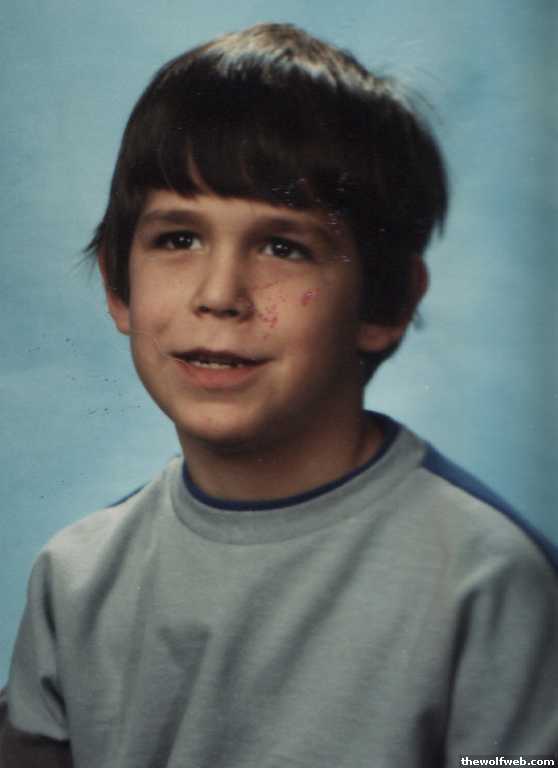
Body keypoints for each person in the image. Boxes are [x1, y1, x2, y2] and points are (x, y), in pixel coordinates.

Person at [1, 22, 557, 768]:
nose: (220, 294)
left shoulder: (487, 581)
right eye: (178, 239)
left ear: (386, 302)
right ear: (117, 281)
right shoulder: (74, 579)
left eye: (282, 247)